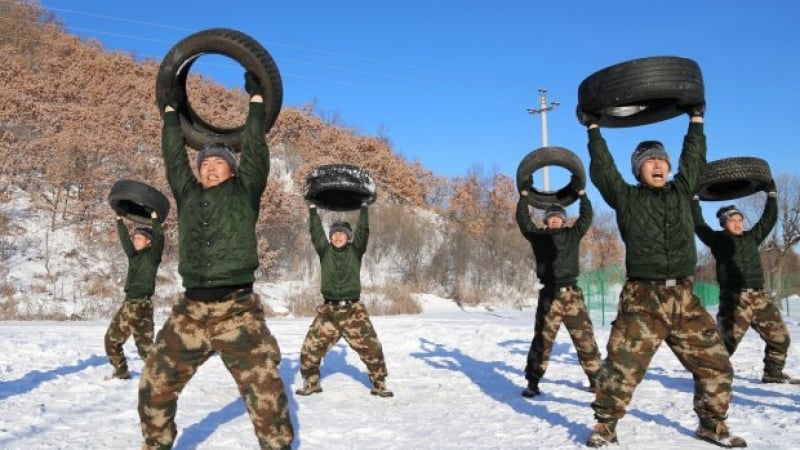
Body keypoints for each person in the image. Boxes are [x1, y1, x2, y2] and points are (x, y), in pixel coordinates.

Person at [137, 73, 294, 450]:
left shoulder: (245, 193)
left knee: (266, 398)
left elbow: (255, 149)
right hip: (189, 311)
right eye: (204, 162)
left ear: (233, 171)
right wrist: (172, 111)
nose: (209, 166)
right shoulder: (188, 194)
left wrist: (257, 102)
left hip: (236, 312)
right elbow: (174, 158)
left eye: (218, 162)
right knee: (153, 386)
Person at [577, 102, 746, 448]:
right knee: (622, 369)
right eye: (649, 161)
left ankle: (712, 425)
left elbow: (694, 159)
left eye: (662, 160)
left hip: (684, 298)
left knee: (716, 365)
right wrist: (594, 129)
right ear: (638, 170)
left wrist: (696, 119)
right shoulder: (626, 198)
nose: (657, 165)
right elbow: (604, 170)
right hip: (643, 299)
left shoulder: (684, 192)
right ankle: (606, 425)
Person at [692, 185, 799, 385]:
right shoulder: (717, 240)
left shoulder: (752, 237)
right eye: (733, 220)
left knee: (780, 339)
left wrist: (772, 196)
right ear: (724, 223)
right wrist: (695, 200)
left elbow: (768, 220)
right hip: (734, 299)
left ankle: (773, 374)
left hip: (760, 298)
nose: (738, 223)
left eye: (740, 219)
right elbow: (698, 224)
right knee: (725, 344)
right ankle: (709, 377)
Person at [295, 201, 393, 398]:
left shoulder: (355, 251)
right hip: (329, 312)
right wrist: (313, 209)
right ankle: (311, 383)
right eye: (334, 233)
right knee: (309, 349)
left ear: (348, 238)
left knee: (372, 348)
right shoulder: (324, 251)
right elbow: (316, 233)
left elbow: (363, 232)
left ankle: (379, 384)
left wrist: (364, 208)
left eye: (342, 234)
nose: (338, 236)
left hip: (353, 312)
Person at [515, 187, 601, 398]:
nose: (554, 220)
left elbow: (586, 217)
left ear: (563, 220)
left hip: (572, 294)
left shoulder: (573, 234)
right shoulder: (538, 237)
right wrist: (524, 198)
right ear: (546, 221)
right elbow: (524, 222)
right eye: (551, 217)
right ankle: (533, 382)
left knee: (585, 339)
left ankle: (596, 379)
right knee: (542, 341)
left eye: (558, 217)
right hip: (549, 295)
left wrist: (582, 195)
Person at [105, 210, 163, 380]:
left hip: (138, 306)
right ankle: (125, 373)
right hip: (135, 305)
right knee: (125, 343)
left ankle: (159, 376)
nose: (135, 240)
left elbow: (159, 238)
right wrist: (119, 221)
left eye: (139, 238)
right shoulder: (133, 256)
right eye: (135, 237)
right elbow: (125, 240)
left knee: (129, 345)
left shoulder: (153, 256)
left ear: (149, 242)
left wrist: (155, 219)